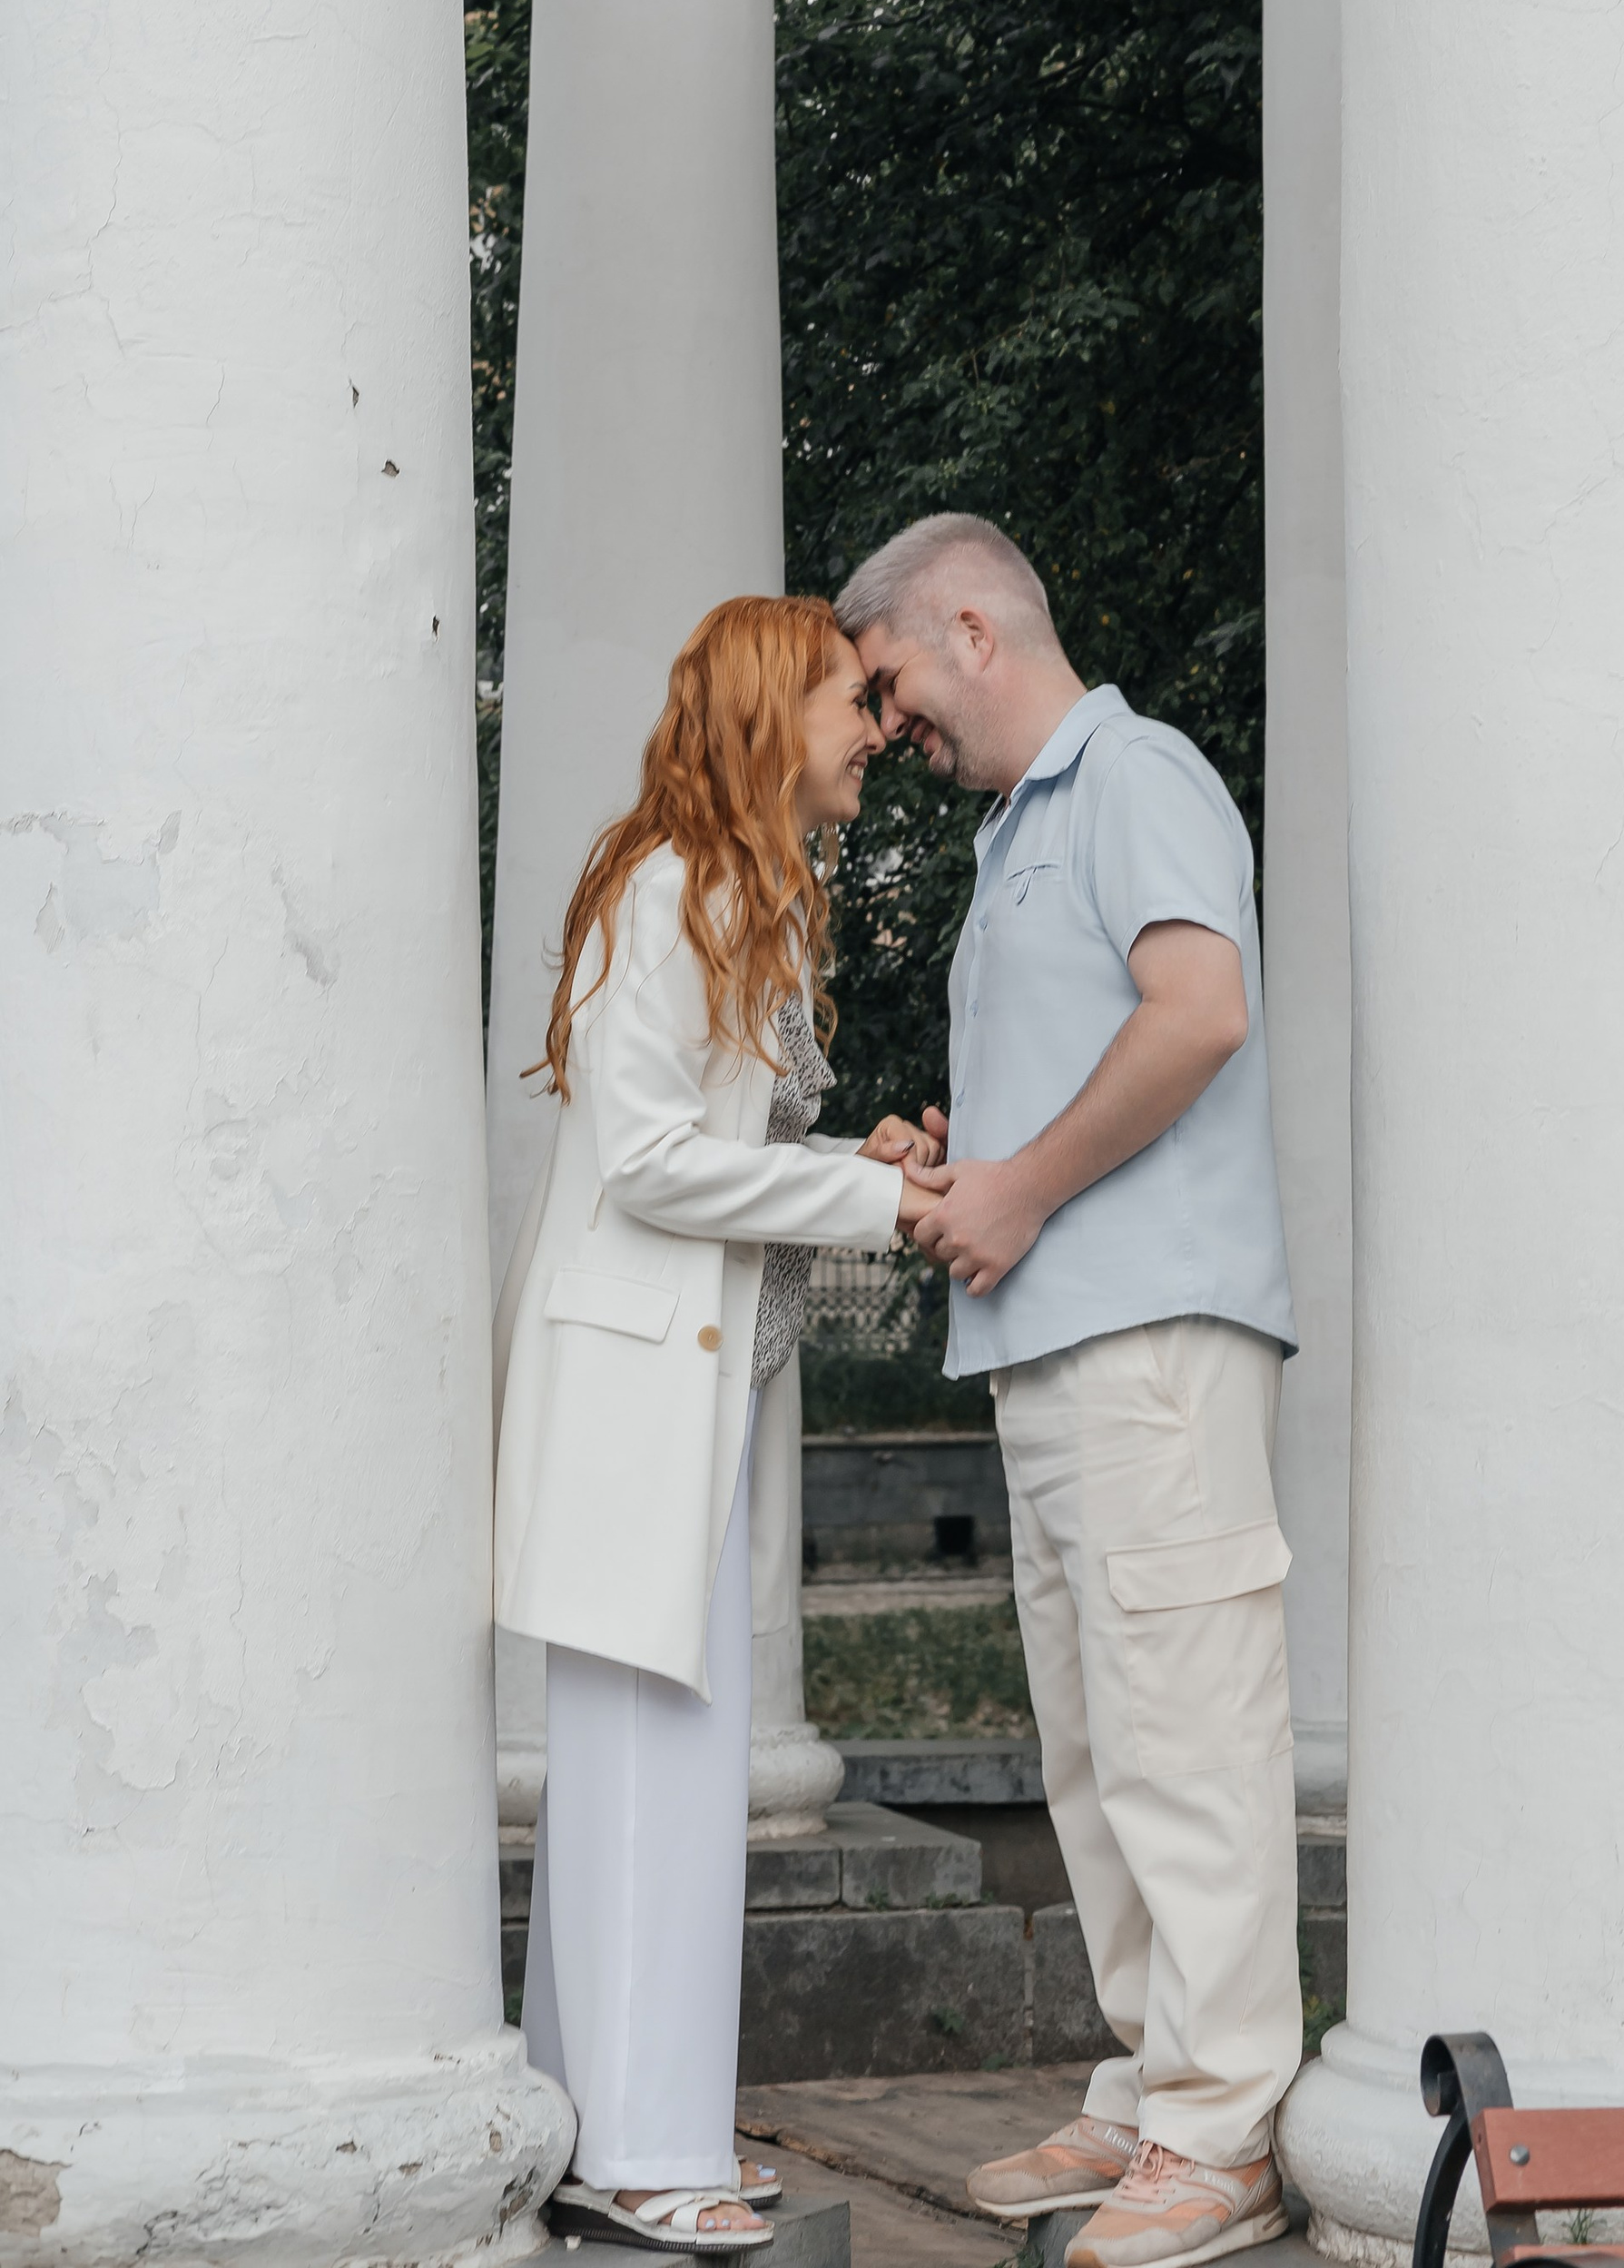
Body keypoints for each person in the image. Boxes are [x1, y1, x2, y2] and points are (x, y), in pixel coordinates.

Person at [835, 516, 1300, 2268]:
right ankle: (1147, 2091)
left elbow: (1197, 1014)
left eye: (884, 685)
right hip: (1049, 1344)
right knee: (1098, 1752)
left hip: (1153, 1335)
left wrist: (1018, 1189)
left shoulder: (1136, 771)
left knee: (1188, 1735)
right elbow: (1078, 1072)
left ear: (969, 623)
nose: (882, 731)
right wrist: (965, 1163)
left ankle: (1225, 2127)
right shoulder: (1014, 836)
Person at [492, 596, 940, 2257]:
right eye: (848, 702)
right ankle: (631, 2148)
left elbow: (739, 1151)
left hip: (697, 1388)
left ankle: (631, 2121)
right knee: (639, 1768)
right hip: (634, 1392)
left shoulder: (736, 888)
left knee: (671, 1769)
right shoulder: (675, 881)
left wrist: (861, 1162)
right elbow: (653, 1163)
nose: (873, 733)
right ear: (773, 710)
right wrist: (865, 1200)